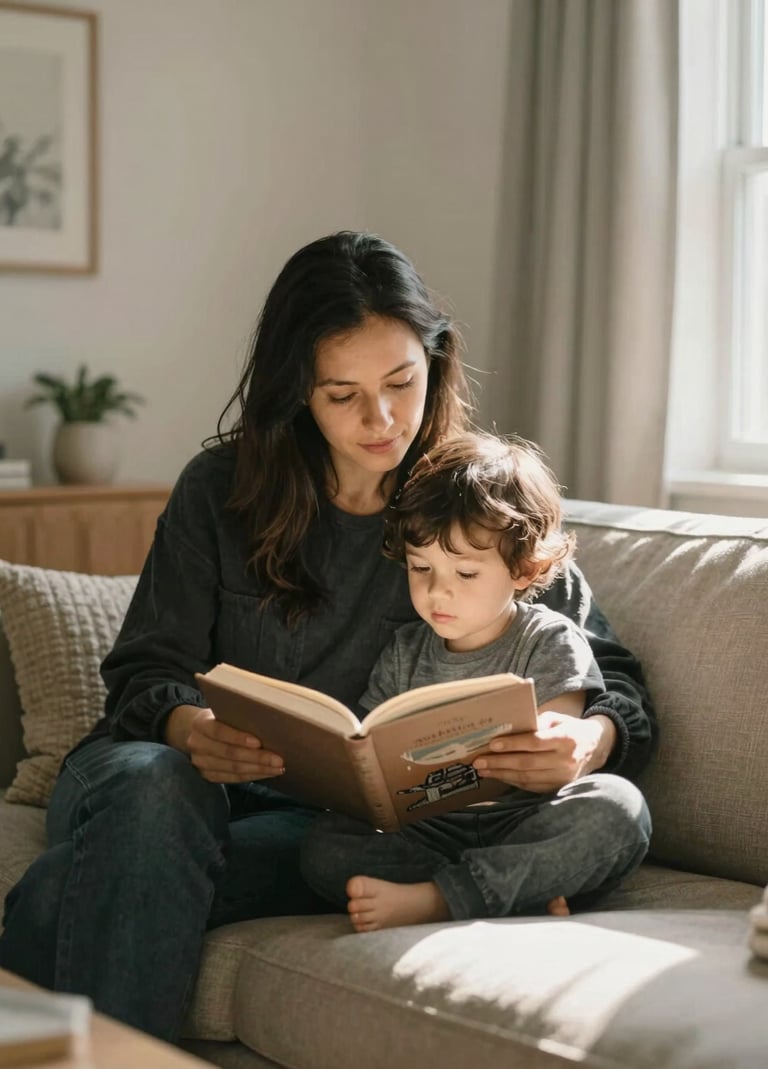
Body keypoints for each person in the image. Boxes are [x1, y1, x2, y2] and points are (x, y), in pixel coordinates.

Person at [0, 231, 656, 1042]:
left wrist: (587, 739)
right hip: (145, 777)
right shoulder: (222, 491)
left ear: (434, 361)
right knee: (160, 793)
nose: (381, 418)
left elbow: (612, 673)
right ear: (297, 393)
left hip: (307, 824)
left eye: (401, 382)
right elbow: (143, 671)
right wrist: (192, 729)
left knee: (80, 884)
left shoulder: (470, 505)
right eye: (342, 394)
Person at [300, 431, 651, 931]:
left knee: (619, 810)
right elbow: (370, 748)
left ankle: (442, 900)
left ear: (524, 570)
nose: (436, 591)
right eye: (421, 567)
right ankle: (508, 891)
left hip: (523, 820)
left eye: (464, 574)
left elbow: (555, 749)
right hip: (429, 830)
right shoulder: (404, 651)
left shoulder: (549, 638)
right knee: (325, 845)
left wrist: (540, 753)